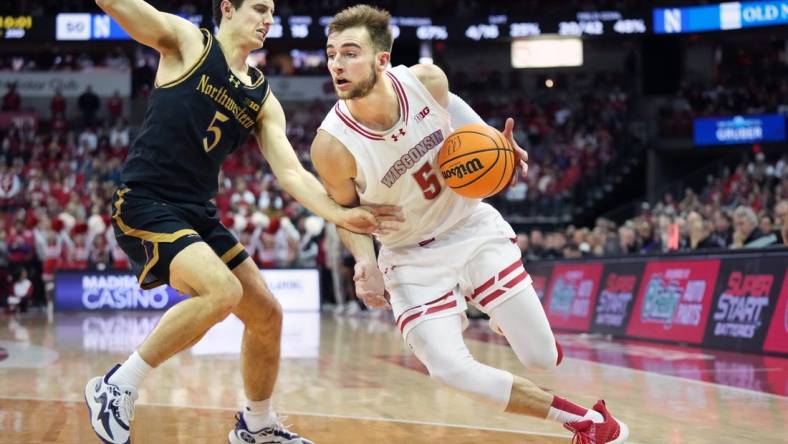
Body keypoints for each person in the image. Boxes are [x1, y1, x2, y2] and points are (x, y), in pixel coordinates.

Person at [84, 1, 401, 444]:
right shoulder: (188, 43)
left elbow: (290, 172)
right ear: (228, 8)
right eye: (258, 7)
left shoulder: (262, 97)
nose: (268, 18)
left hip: (197, 212)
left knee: (267, 315)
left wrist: (341, 213)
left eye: (271, 10)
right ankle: (116, 384)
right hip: (146, 200)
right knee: (223, 291)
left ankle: (256, 426)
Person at [310, 5, 628, 443]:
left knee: (541, 358)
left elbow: (450, 105)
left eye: (350, 53)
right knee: (448, 368)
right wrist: (364, 261)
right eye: (331, 55)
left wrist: (492, 139)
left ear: (382, 60)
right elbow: (346, 215)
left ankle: (496, 310)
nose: (337, 65)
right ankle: (584, 422)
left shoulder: (426, 81)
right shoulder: (332, 145)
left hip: (470, 228)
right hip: (409, 257)